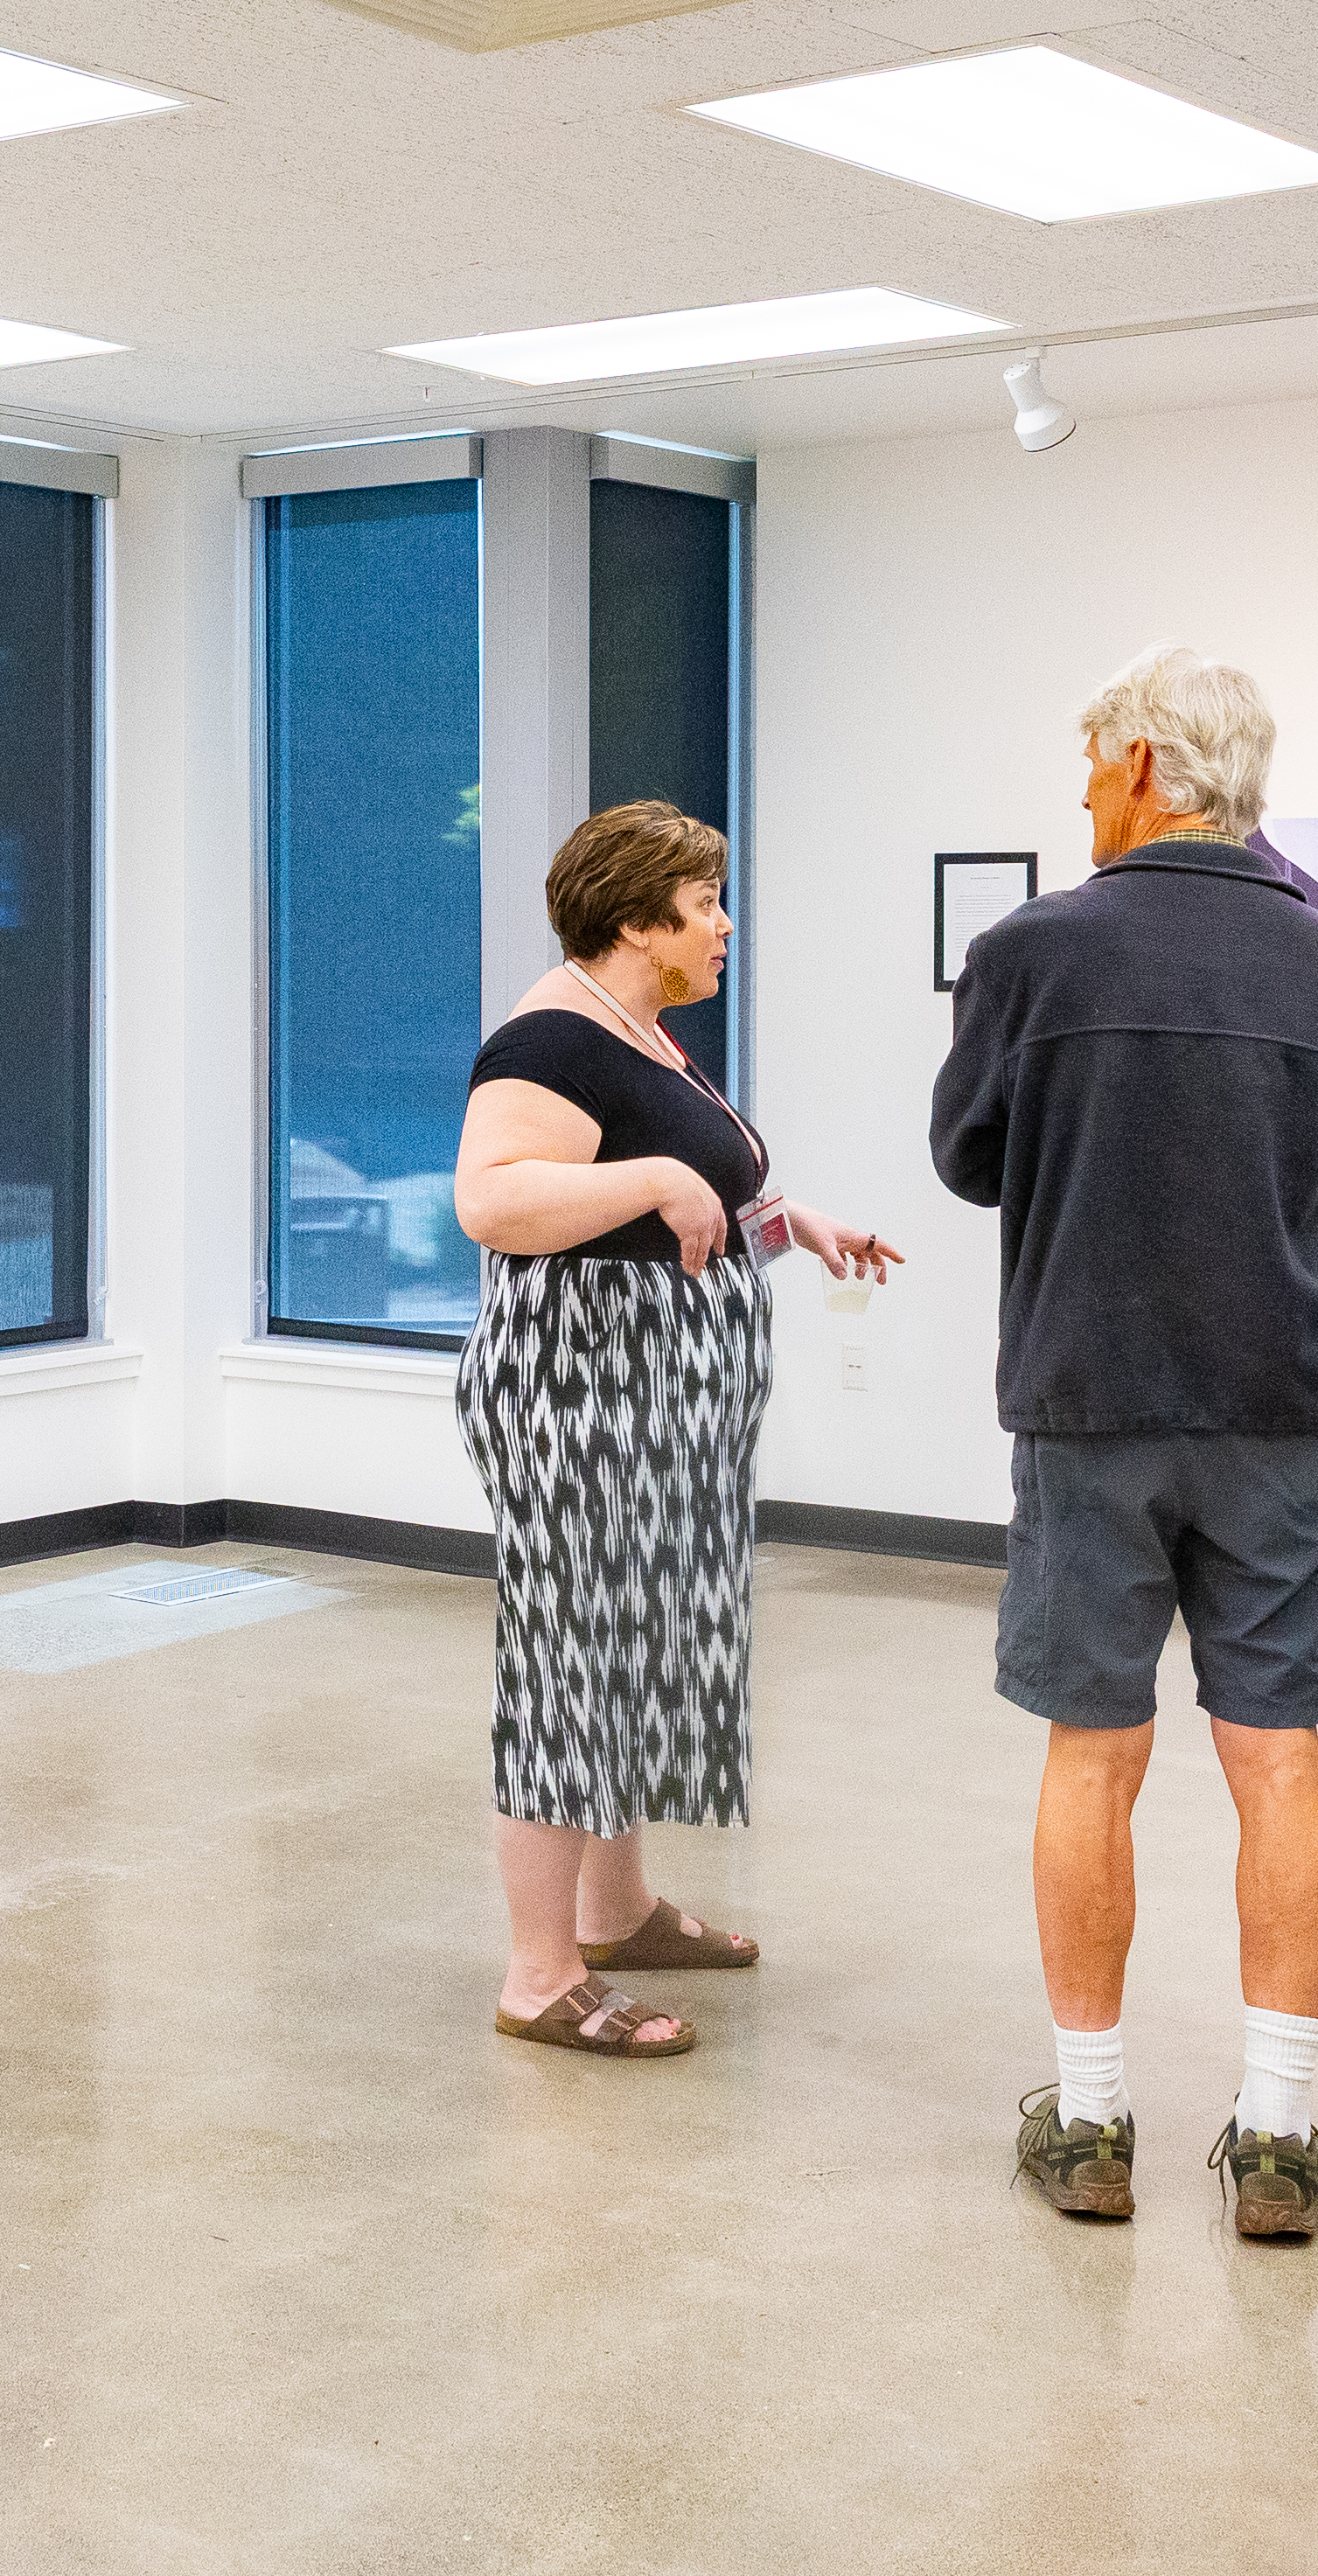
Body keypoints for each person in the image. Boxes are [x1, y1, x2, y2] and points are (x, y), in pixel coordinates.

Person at [933, 649, 1318, 2235]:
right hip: (1284, 1408)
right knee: (1276, 1756)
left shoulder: (1029, 954)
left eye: (1086, 765)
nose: (1077, 794)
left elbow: (969, 1159)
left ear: (1139, 766)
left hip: (1091, 1405)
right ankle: (1273, 2137)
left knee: (1091, 1752)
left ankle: (1091, 2118)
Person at [452, 800, 903, 2059]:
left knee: (633, 1657)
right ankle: (540, 1975)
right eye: (703, 905)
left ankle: (616, 1909)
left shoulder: (633, 1032)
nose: (721, 925)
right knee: (567, 1672)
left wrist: (787, 1218)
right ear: (635, 921)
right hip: (578, 1406)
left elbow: (675, 1201)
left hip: (656, 1409)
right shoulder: (549, 1040)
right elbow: (493, 1201)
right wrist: (657, 1179)